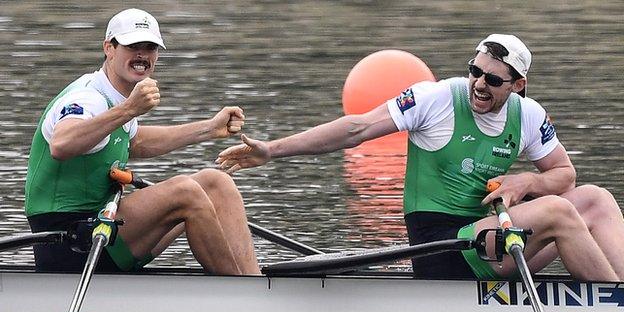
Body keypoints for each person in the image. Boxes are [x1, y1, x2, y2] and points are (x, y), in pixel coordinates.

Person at [216, 34, 624, 281]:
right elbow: (356, 128)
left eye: (494, 80)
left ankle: (615, 292)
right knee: (556, 212)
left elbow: (564, 175)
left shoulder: (529, 115)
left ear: (518, 85)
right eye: (475, 71)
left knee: (596, 199)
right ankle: (614, 309)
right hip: (440, 249)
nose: (479, 84)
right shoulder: (435, 98)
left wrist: (528, 181)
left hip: (492, 240)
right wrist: (272, 149)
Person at [24, 8, 259, 275]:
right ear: (109, 48)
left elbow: (135, 142)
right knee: (186, 191)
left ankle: (253, 281)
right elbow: (61, 144)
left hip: (103, 228)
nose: (142, 55)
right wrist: (129, 110)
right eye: (132, 46)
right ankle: (241, 297)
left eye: (150, 47)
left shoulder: (116, 96)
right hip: (68, 241)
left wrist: (208, 129)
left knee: (217, 183)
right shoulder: (87, 97)